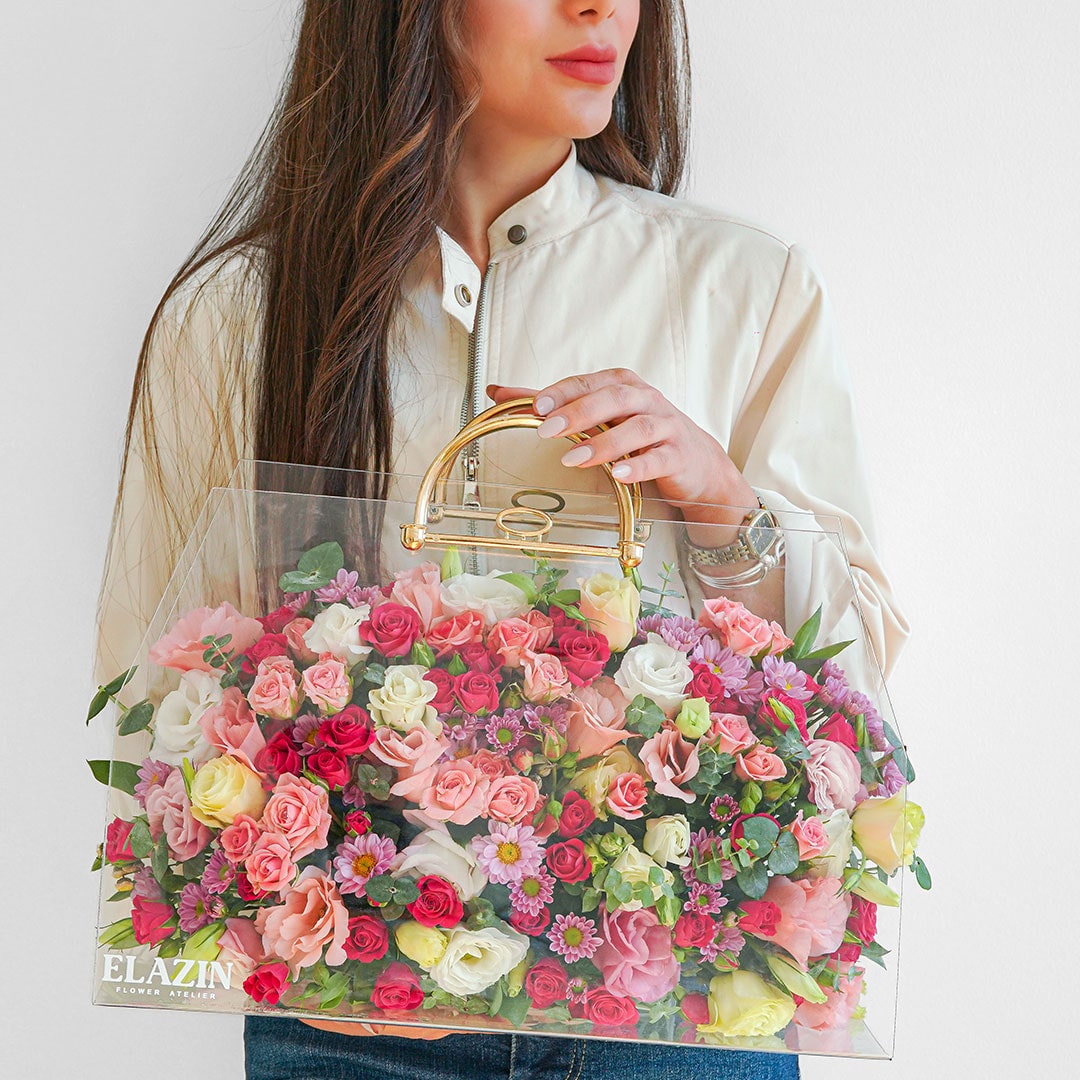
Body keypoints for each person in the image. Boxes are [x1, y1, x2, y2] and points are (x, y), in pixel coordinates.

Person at [96, 2, 908, 1077]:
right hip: (354, 1022)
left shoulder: (743, 288)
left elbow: (854, 690)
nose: (598, 6)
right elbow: (158, 706)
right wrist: (270, 936)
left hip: (677, 1018)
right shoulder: (240, 314)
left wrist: (719, 498)